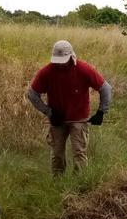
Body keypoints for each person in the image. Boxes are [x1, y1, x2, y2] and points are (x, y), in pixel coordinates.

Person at [27, 40, 112, 175]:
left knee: (79, 153)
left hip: (79, 118)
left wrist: (101, 112)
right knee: (57, 154)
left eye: (63, 61)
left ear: (71, 56)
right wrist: (49, 112)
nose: (60, 64)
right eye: (57, 61)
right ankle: (58, 183)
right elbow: (32, 94)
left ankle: (80, 185)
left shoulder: (84, 69)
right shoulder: (47, 72)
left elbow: (105, 88)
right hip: (57, 119)